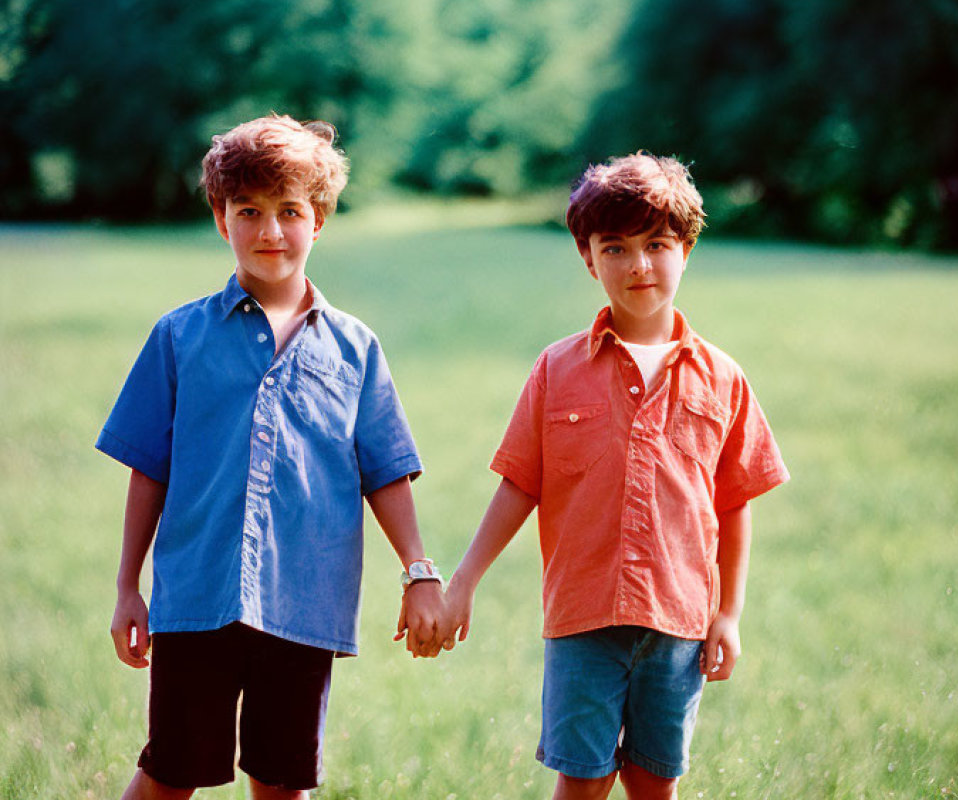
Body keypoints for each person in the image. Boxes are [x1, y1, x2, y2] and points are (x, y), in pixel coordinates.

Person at [96, 114, 448, 800]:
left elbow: (386, 471)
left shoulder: (355, 348)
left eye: (290, 211)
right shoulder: (179, 335)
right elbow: (149, 468)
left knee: (283, 783)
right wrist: (125, 587)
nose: (270, 231)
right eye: (248, 211)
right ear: (221, 219)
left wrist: (420, 572)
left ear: (318, 219)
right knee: (169, 772)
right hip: (195, 599)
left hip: (304, 602)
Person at [443, 153, 790, 799]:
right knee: (583, 784)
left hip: (679, 625)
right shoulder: (557, 368)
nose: (639, 266)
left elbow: (736, 503)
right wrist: (463, 582)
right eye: (617, 247)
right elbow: (521, 482)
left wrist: (729, 615)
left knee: (656, 785)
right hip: (583, 621)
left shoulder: (722, 377)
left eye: (657, 245)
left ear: (686, 248)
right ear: (587, 256)